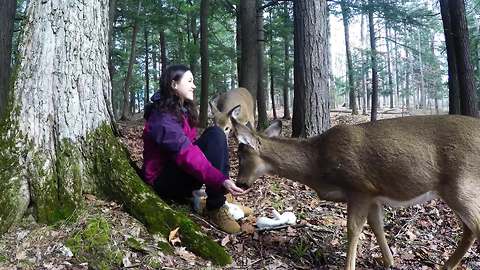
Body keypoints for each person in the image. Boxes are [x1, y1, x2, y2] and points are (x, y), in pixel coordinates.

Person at [142, 64, 251, 233]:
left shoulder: (181, 109)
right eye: (190, 81)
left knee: (217, 135)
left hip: (177, 171)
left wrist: (219, 177)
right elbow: (186, 154)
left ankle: (222, 198)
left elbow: (192, 147)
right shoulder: (162, 119)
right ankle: (215, 207)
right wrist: (219, 179)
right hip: (163, 181)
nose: (194, 85)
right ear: (174, 85)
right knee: (215, 134)